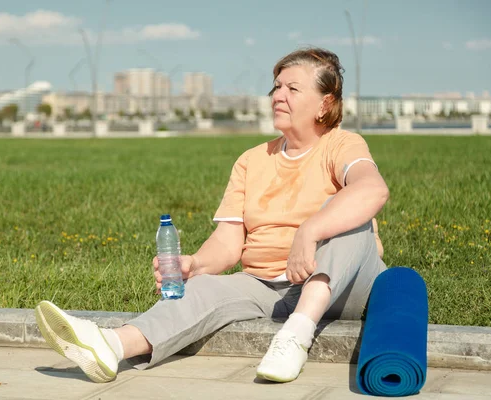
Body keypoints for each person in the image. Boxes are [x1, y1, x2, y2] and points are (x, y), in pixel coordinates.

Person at [34, 47, 389, 384]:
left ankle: (295, 337)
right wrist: (196, 265)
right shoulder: (251, 160)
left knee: (349, 216)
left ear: (325, 103)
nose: (279, 95)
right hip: (267, 286)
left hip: (338, 286)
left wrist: (309, 231)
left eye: (293, 88)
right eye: (276, 87)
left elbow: (373, 189)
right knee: (202, 288)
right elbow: (229, 241)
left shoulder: (342, 144)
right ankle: (110, 346)